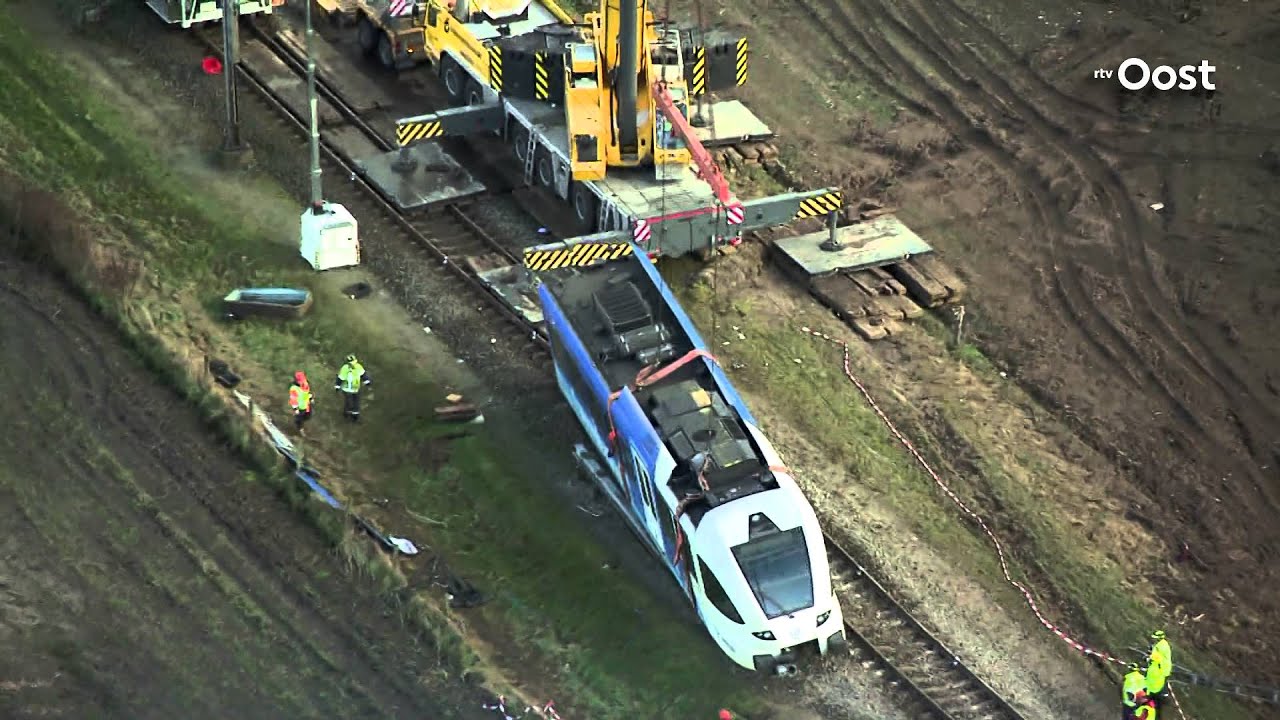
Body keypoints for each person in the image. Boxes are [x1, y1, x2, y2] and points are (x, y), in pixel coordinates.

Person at [334, 354, 371, 422]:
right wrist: (337, 386)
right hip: (347, 389)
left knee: (355, 403)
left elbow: (363, 375)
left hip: (355, 389)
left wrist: (367, 382)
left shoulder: (358, 367)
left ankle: (355, 416)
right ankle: (347, 415)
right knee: (349, 403)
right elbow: (340, 378)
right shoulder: (345, 368)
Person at [1147, 630, 1173, 711]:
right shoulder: (1164, 644)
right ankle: (1162, 697)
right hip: (1165, 668)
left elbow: (1156, 657)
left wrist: (1149, 658)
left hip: (1161, 669)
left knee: (1158, 684)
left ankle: (1158, 700)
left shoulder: (1159, 647)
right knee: (1163, 684)